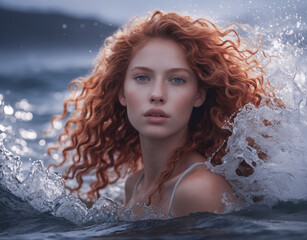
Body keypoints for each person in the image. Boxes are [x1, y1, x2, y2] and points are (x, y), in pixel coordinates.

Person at [48, 10, 269, 218]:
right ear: (121, 93)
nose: (157, 94)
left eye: (177, 80)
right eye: (142, 77)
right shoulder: (134, 184)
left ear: (198, 96)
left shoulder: (200, 190)